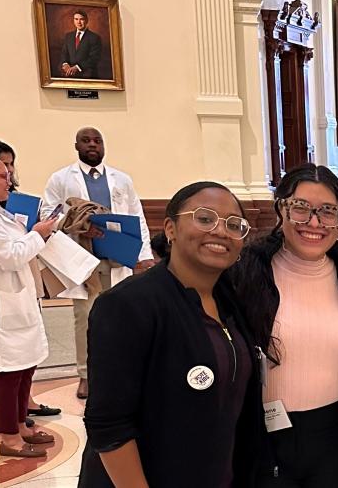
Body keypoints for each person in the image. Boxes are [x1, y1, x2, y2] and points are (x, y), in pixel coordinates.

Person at [79, 181, 262, 486]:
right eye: (204, 218)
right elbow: (109, 425)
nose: (220, 231)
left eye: (233, 225)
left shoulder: (230, 301)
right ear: (170, 228)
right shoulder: (128, 304)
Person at [231, 163, 338, 486]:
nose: (314, 222)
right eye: (301, 209)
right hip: (263, 433)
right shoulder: (246, 274)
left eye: (327, 212)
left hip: (333, 435)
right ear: (280, 209)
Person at [41, 126, 153, 400]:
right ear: (76, 145)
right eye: (86, 141)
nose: (92, 145)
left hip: (117, 257)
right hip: (82, 259)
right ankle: (86, 376)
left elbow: (136, 217)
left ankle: (123, 371)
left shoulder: (121, 180)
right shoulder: (60, 179)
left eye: (97, 141)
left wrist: (145, 253)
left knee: (122, 319)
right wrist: (77, 225)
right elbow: (48, 214)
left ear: (103, 146)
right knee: (87, 319)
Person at [0, 151, 59, 458]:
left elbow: (19, 246)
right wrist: (37, 234)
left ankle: (22, 425)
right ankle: (9, 438)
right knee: (9, 372)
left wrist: (39, 234)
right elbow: (9, 255)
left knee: (26, 365)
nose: (10, 179)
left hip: (18, 299)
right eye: (3, 175)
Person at [59, 9, 102, 78]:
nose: (79, 22)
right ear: (74, 21)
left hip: (87, 76)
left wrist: (77, 67)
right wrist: (65, 64)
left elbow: (94, 58)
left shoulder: (94, 37)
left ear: (86, 21)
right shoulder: (68, 36)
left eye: (81, 19)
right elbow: (64, 53)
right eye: (76, 19)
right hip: (70, 76)